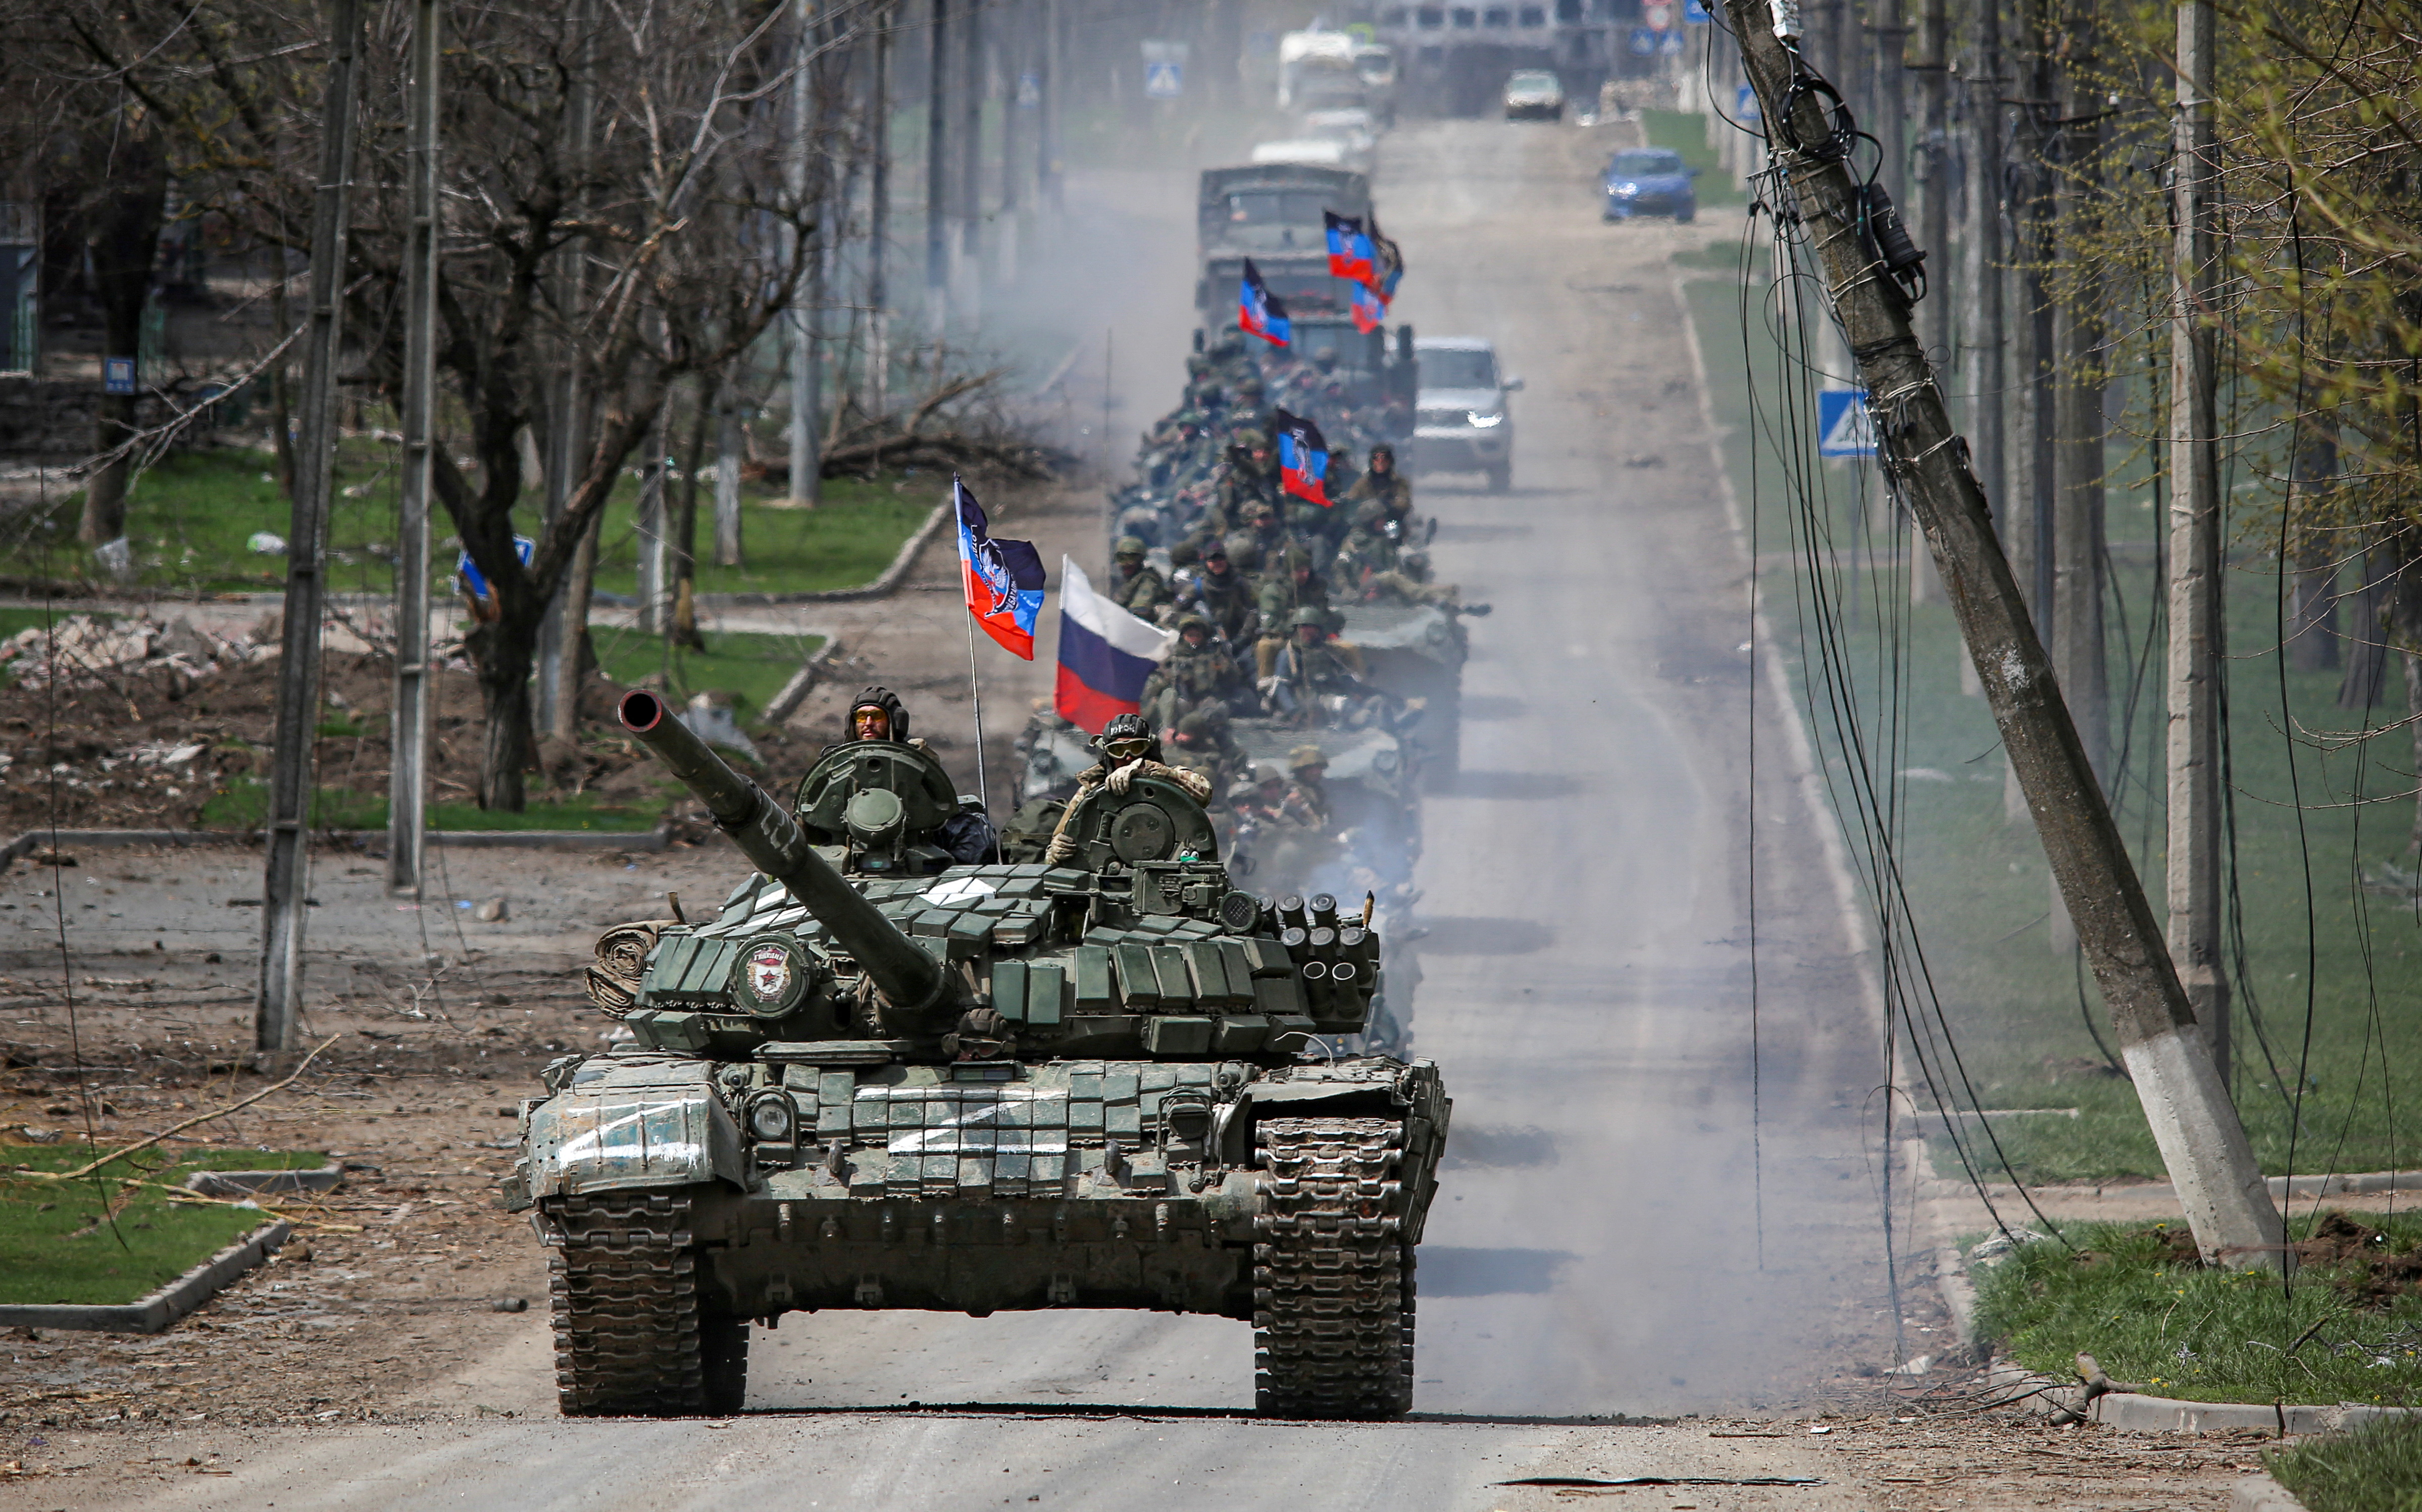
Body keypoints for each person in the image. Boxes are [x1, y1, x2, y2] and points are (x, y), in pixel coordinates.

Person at [1043, 713, 1216, 864]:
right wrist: (1056, 850)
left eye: (1136, 748)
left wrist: (1148, 770)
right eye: (1118, 750)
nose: (1128, 756)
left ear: (1149, 749)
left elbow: (1204, 792)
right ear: (1107, 754)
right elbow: (1061, 838)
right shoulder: (1092, 790)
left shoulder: (1168, 777)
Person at [1140, 613, 1250, 730]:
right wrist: (1170, 677)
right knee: (1169, 697)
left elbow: (1233, 680)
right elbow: (1157, 680)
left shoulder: (1215, 654)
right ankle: (1167, 730)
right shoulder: (1172, 654)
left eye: (1197, 634)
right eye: (1190, 634)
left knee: (1216, 711)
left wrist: (1224, 668)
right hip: (1180, 700)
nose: (1193, 636)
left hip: (1207, 699)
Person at [1109, 536, 1171, 618]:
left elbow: (1141, 609)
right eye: (1122, 559)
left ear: (1141, 559)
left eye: (1132, 559)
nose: (1127, 564)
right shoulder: (1128, 582)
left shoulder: (1148, 579)